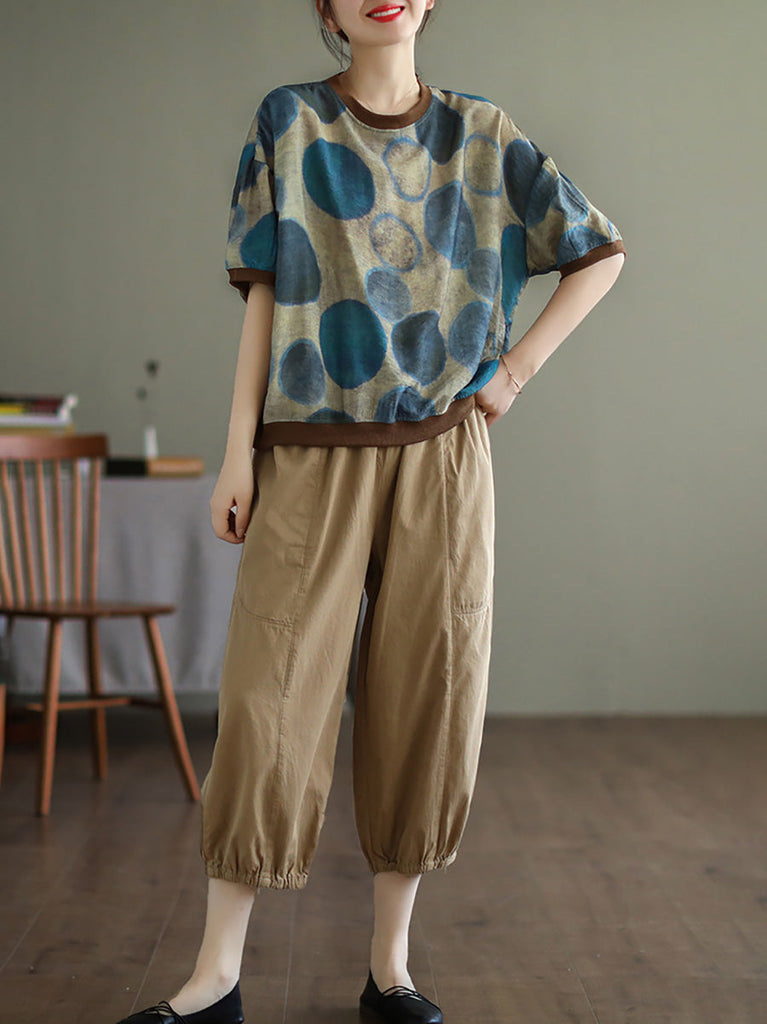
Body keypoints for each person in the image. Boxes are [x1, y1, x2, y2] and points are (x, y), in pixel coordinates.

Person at [115, 2, 626, 1022]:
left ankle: (390, 970)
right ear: (325, 7)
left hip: (442, 457)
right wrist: (237, 454)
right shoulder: (289, 121)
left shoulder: (482, 134)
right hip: (307, 451)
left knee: (426, 699)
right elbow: (263, 296)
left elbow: (598, 252)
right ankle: (216, 978)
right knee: (266, 705)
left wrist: (513, 372)